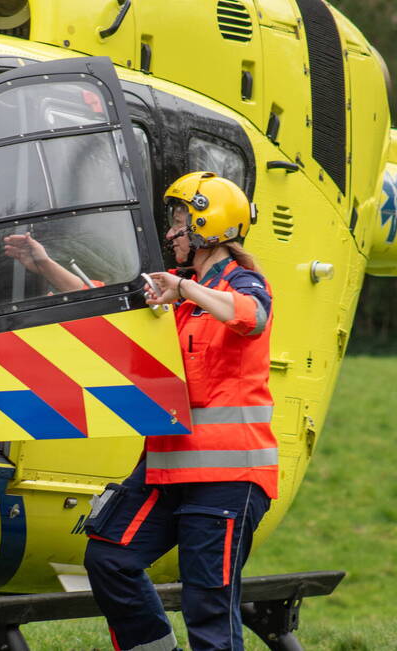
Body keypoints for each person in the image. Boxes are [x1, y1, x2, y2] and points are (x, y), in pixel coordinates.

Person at [83, 171, 278, 651]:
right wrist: (42, 264)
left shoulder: (240, 283)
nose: (171, 233)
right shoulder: (184, 294)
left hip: (226, 481)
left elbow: (252, 316)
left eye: (179, 223)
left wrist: (185, 290)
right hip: (165, 472)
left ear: (207, 228)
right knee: (109, 558)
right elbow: (111, 311)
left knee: (207, 609)